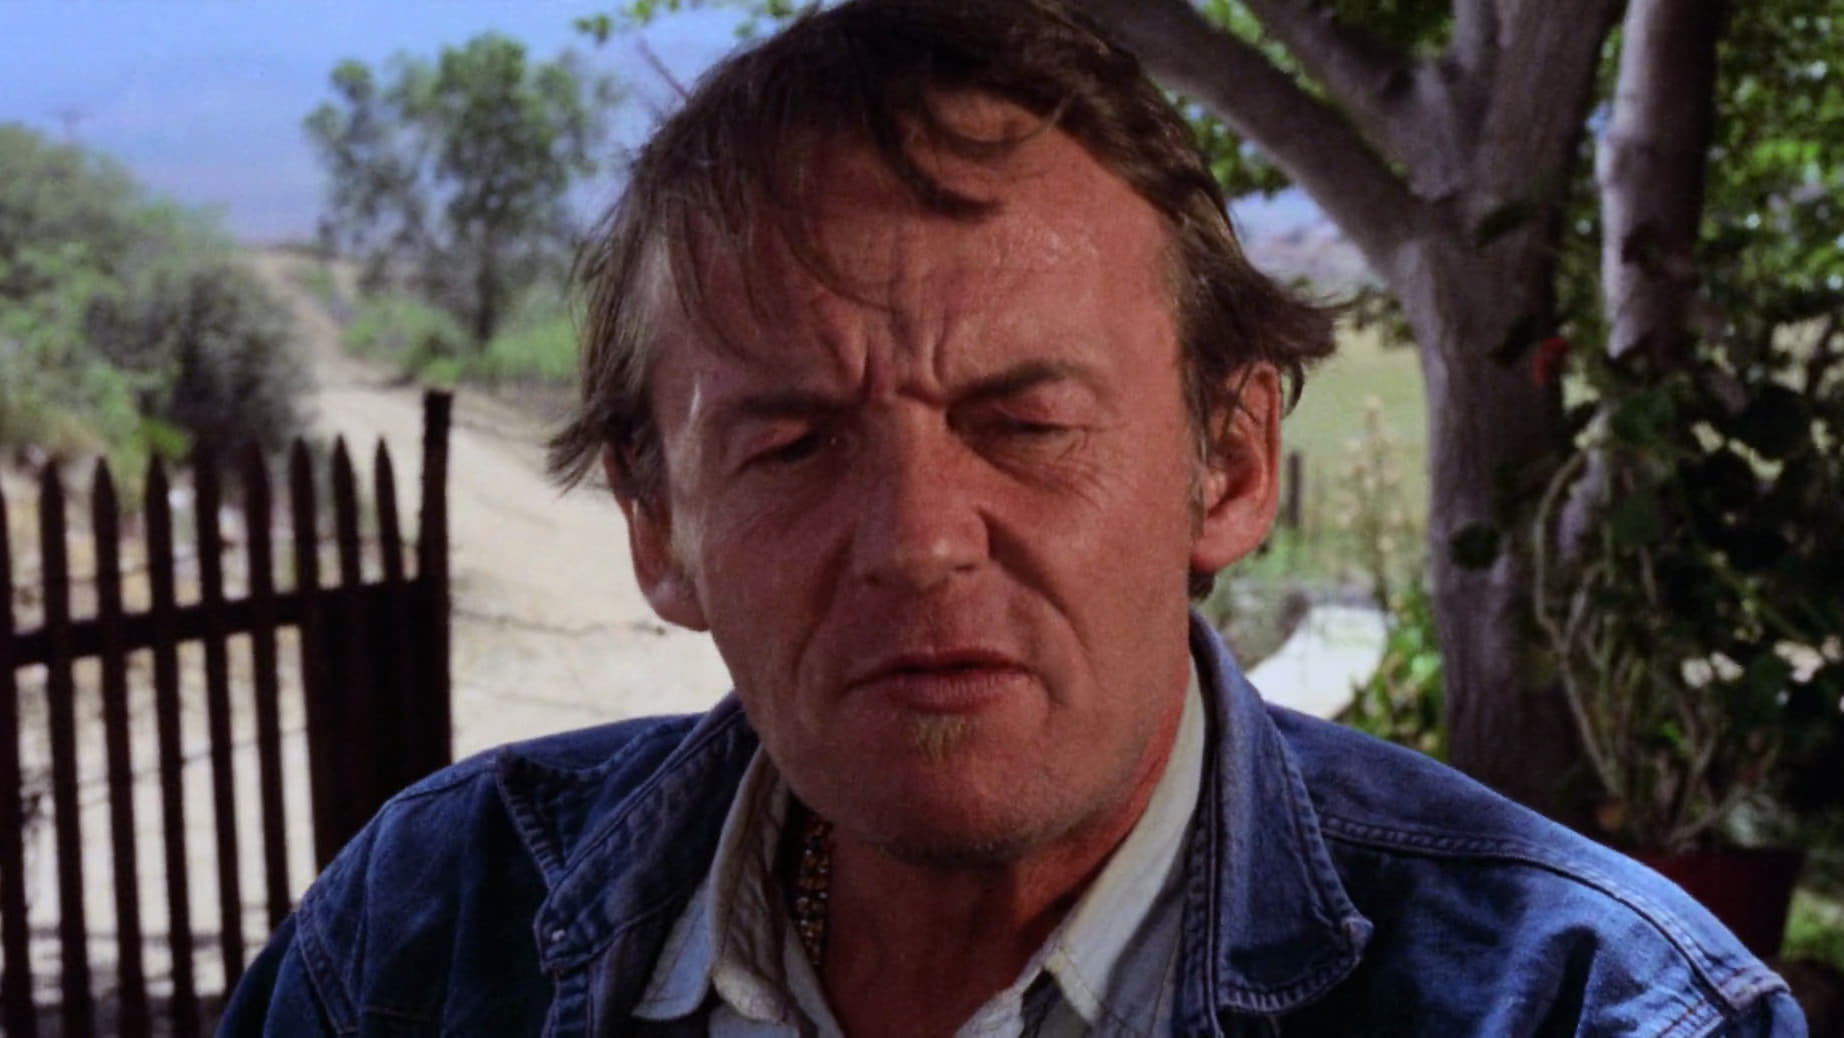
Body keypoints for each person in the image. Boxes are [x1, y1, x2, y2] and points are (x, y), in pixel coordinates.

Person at [223, 1, 1805, 1034]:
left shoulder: (1589, 1007)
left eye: (1027, 424)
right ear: (658, 521)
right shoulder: (430, 934)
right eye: (792, 443)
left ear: (1230, 466)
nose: (919, 539)